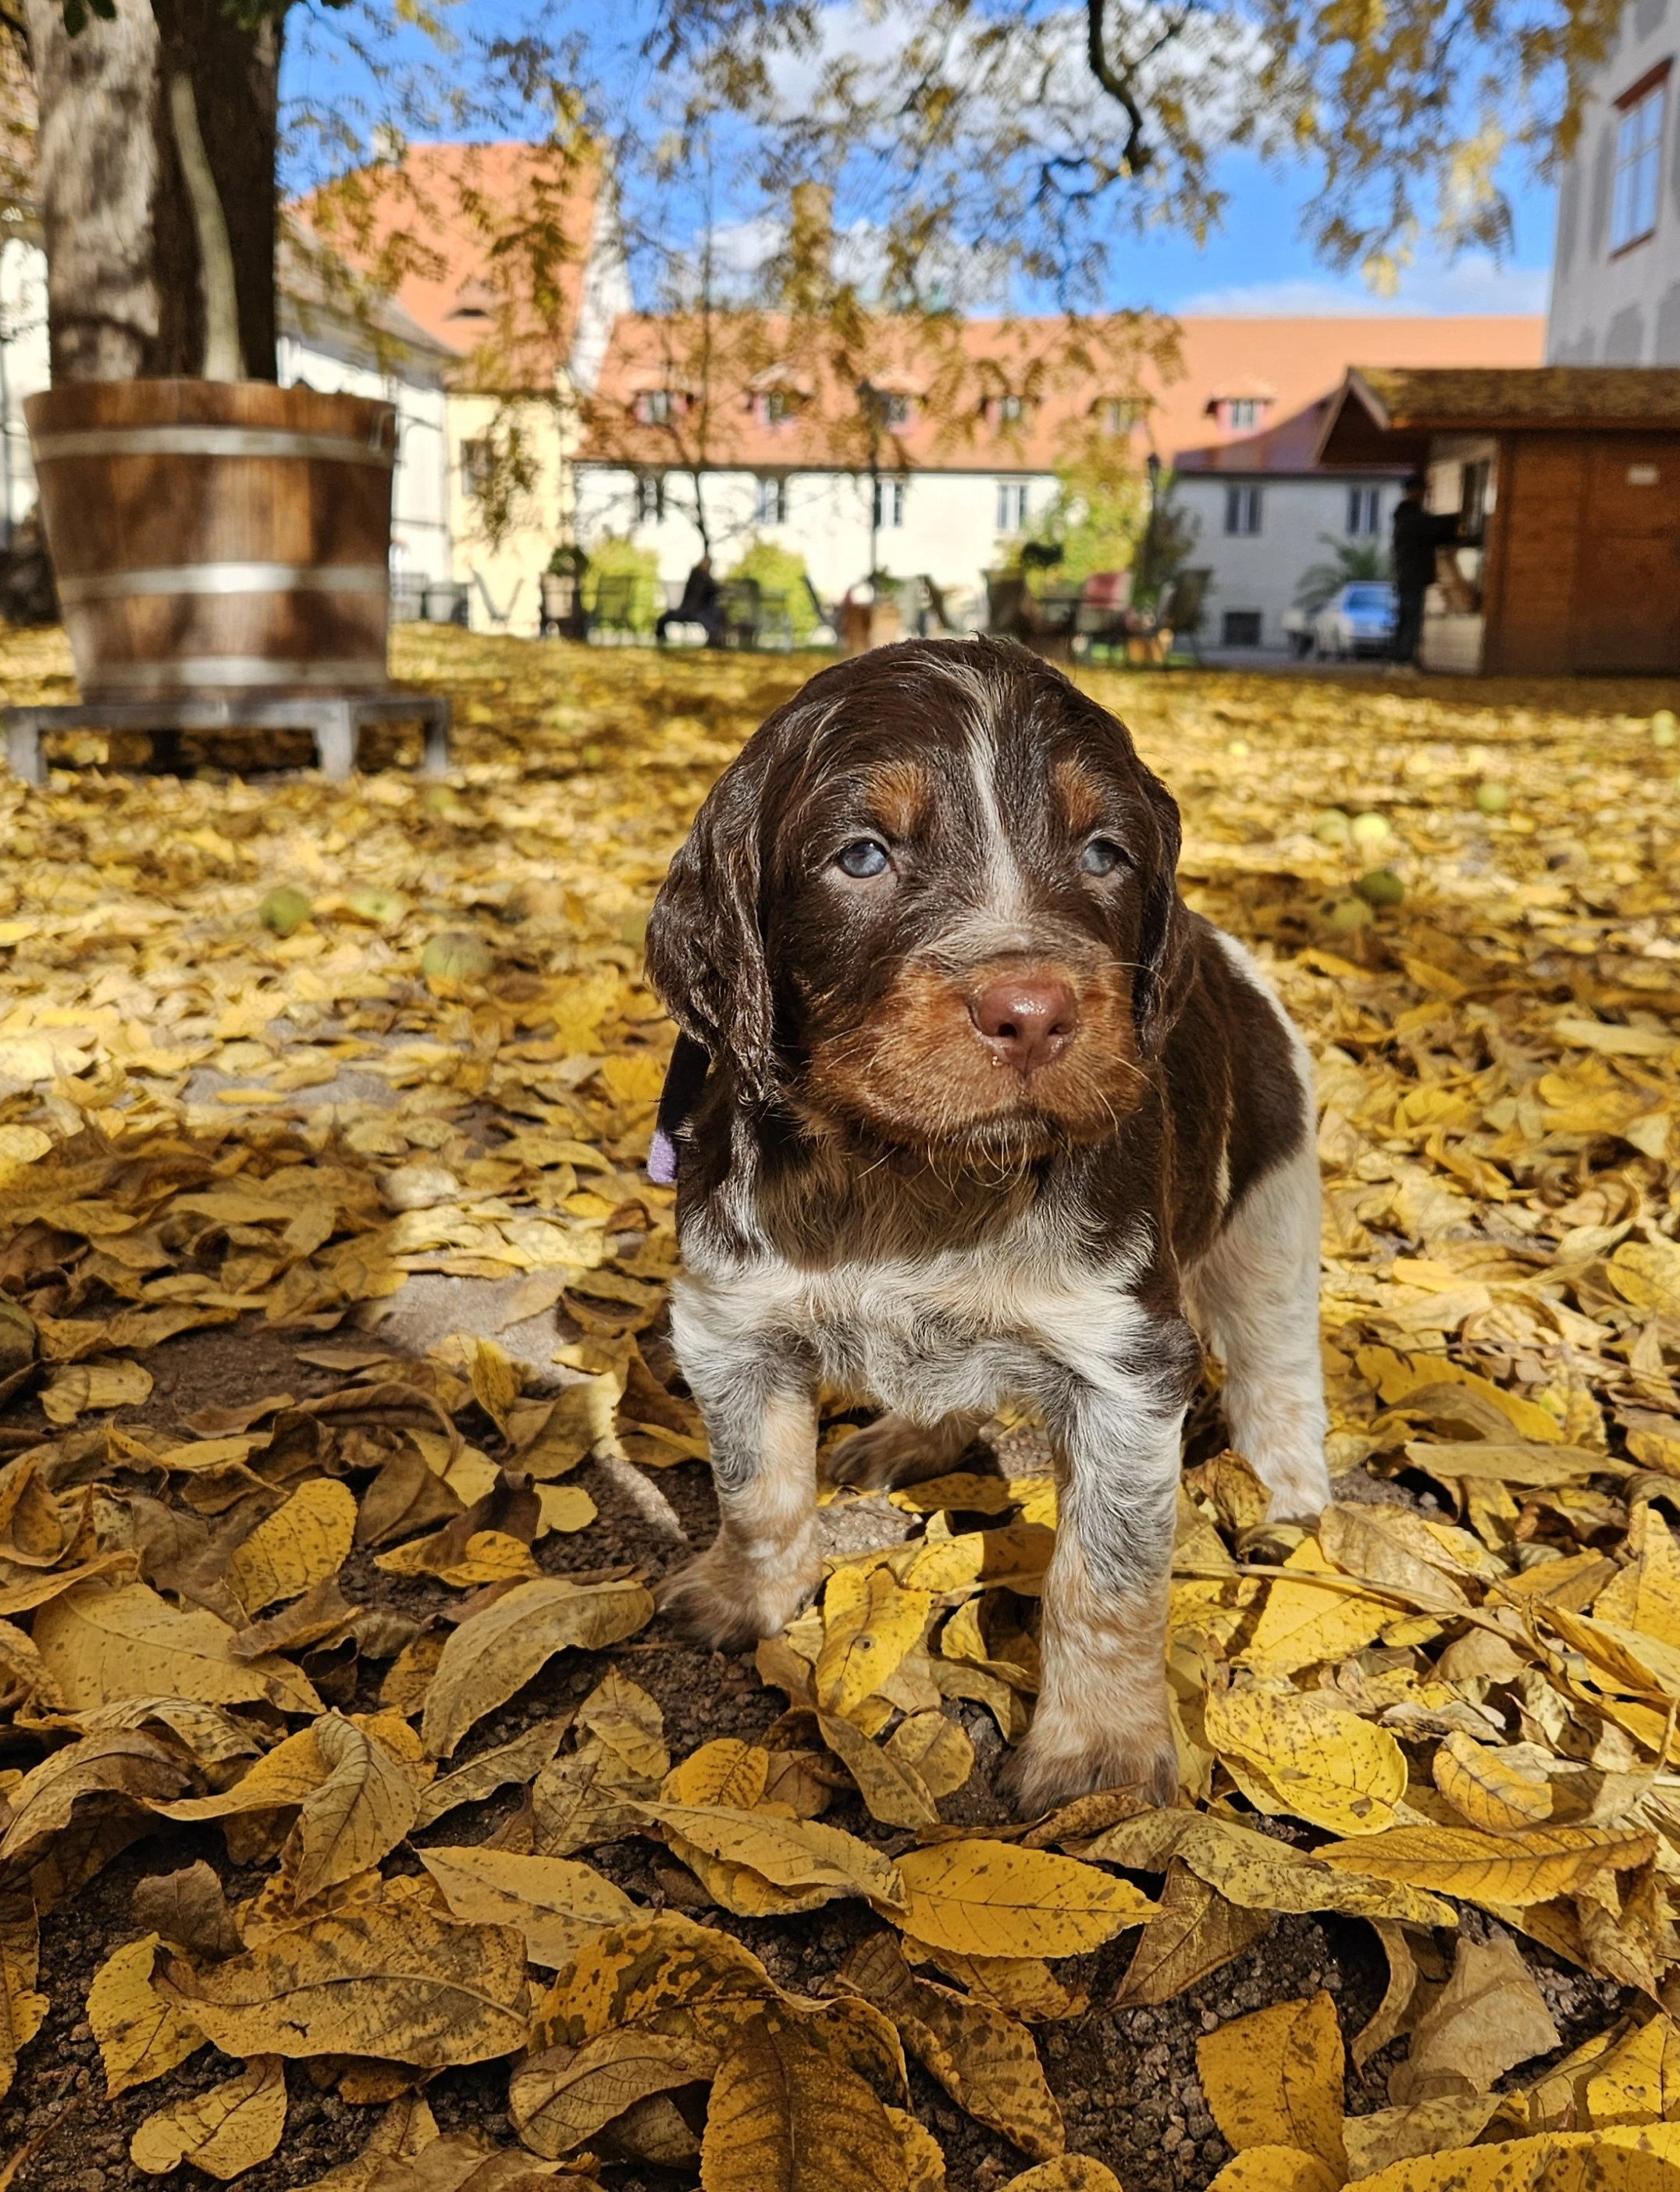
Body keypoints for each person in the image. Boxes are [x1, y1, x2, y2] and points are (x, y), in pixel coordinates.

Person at [1390, 475, 1460, 668]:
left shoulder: (1406, 516)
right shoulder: (1411, 517)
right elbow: (1431, 530)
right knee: (1411, 618)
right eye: (1421, 491)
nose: (1423, 495)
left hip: (1408, 575)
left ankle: (1401, 658)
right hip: (1412, 576)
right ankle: (1403, 659)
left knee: (1407, 618)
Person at [657, 556, 725, 646]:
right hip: (692, 609)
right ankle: (661, 641)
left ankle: (715, 641)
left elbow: (713, 592)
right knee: (663, 620)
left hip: (702, 610)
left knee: (713, 618)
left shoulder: (706, 580)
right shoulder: (698, 576)